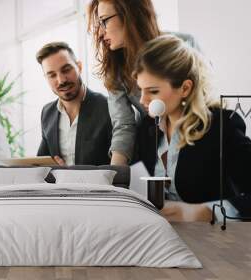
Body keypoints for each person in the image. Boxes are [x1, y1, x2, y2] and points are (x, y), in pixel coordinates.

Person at [132, 35, 251, 221]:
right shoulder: (148, 128)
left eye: (153, 91)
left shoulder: (222, 126)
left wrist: (205, 212)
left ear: (185, 88)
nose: (142, 101)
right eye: (141, 90)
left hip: (210, 240)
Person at [87, 0, 200, 165]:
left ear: (129, 14)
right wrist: (115, 178)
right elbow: (123, 125)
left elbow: (207, 103)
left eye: (104, 21)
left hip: (195, 138)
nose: (99, 33)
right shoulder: (115, 67)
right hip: (153, 145)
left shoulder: (184, 45)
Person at [36, 42, 112, 165]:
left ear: (79, 67)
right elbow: (42, 162)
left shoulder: (107, 107)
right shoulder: (47, 113)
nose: (61, 80)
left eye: (66, 70)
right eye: (52, 75)